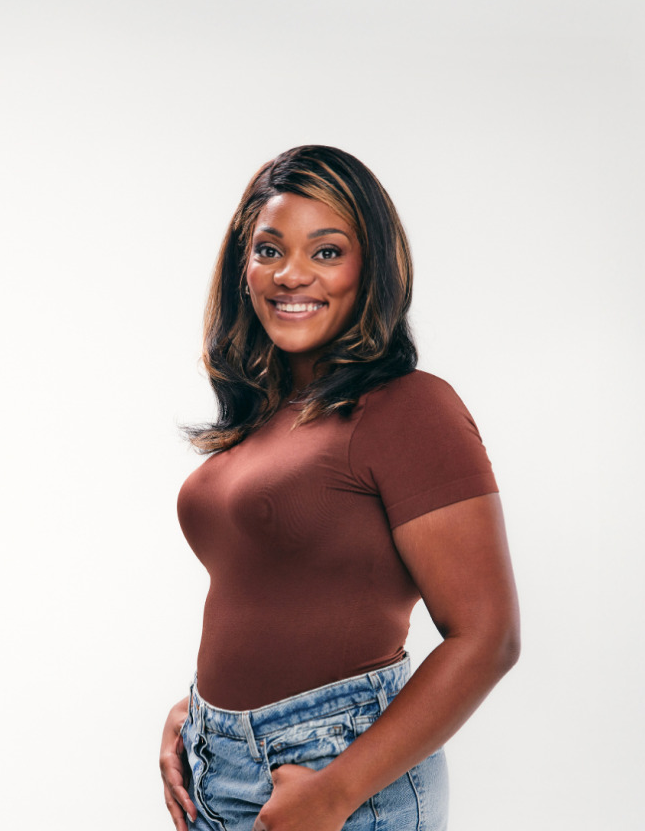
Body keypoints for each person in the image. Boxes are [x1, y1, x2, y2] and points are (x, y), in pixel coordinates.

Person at [159, 144, 520, 831]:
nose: (291, 274)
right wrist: (202, 716)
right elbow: (267, 597)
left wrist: (334, 792)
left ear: (371, 268)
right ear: (242, 268)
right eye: (269, 250)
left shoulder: (409, 408)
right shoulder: (263, 419)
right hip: (217, 768)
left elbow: (487, 635)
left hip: (335, 776)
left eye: (326, 252)